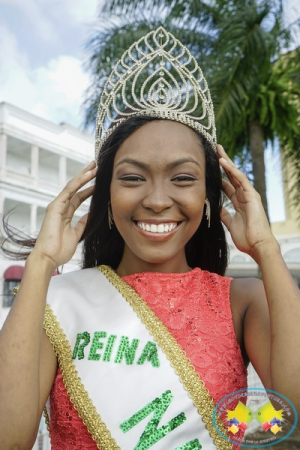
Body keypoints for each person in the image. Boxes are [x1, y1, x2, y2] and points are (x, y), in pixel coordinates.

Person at [0, 27, 299, 450]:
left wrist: (267, 249)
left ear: (209, 197)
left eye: (182, 178)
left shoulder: (242, 301)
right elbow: (8, 438)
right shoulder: (58, 300)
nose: (157, 200)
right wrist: (41, 263)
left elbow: (294, 408)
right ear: (105, 195)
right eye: (133, 178)